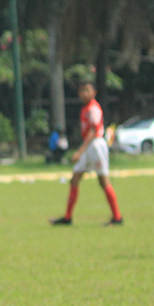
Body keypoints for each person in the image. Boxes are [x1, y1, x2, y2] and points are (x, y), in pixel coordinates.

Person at [51, 81, 123, 226]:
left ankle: (117, 218)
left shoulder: (93, 108)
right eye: (82, 91)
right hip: (88, 146)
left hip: (96, 146)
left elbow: (93, 131)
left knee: (103, 181)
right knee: (74, 179)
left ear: (94, 93)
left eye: (87, 90)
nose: (84, 94)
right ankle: (67, 217)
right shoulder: (85, 109)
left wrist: (79, 151)